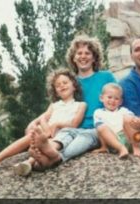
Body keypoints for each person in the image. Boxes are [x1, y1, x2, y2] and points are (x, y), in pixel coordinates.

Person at [27, 35, 116, 170]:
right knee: (62, 138)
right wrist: (34, 123)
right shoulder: (69, 82)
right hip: (70, 129)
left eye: (87, 53)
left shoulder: (106, 77)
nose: (83, 56)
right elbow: (58, 108)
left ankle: (51, 159)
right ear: (73, 58)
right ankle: (44, 159)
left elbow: (118, 99)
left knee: (80, 141)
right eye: (79, 53)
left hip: (96, 129)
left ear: (94, 57)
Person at [12, 68, 86, 176]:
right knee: (36, 139)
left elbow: (74, 124)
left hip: (62, 135)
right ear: (55, 91)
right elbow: (43, 118)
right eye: (58, 85)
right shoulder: (54, 105)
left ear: (74, 86)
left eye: (65, 82)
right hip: (48, 135)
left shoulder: (81, 105)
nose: (62, 86)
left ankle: (29, 161)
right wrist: (47, 131)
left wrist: (57, 124)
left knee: (41, 160)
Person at [92, 82, 140, 158]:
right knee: (100, 127)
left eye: (116, 98)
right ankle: (116, 148)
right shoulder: (98, 112)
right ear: (101, 98)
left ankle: (136, 147)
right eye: (109, 97)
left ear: (120, 102)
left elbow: (131, 116)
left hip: (128, 139)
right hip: (112, 142)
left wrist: (135, 120)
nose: (112, 100)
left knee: (128, 118)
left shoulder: (123, 110)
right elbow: (100, 128)